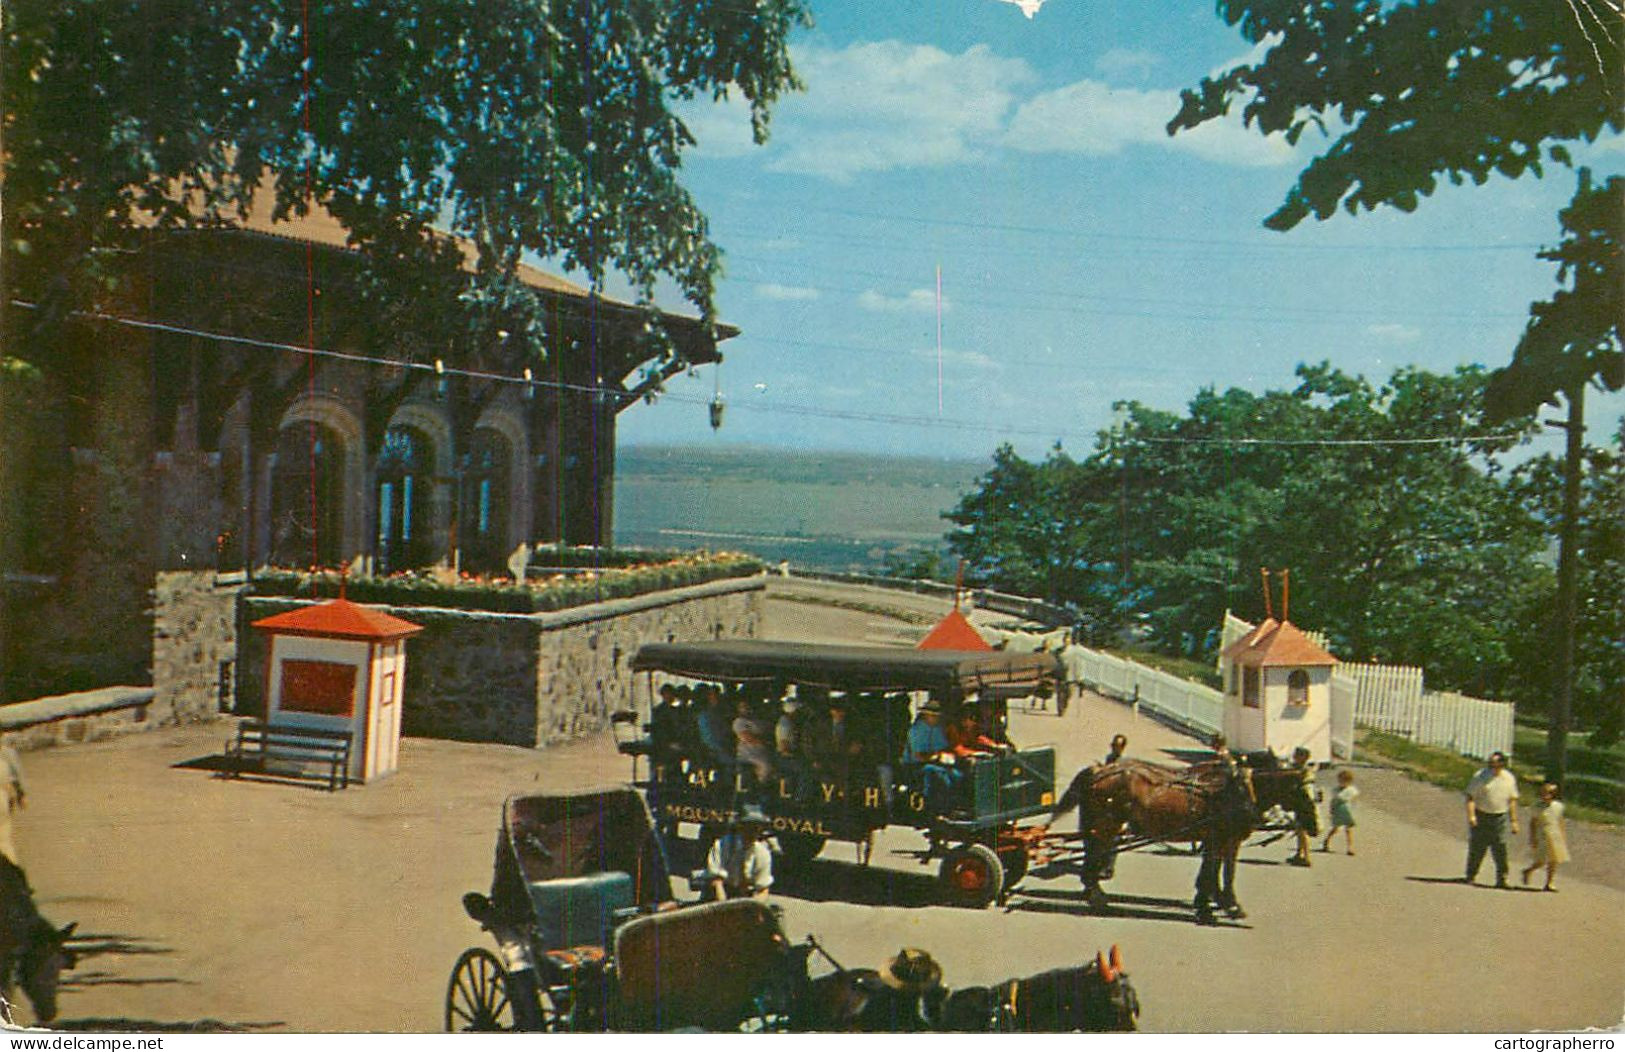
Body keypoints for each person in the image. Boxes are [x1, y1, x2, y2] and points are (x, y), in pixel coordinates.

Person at [1464, 750, 1520, 888]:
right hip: (1482, 814)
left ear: (1502, 764)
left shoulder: (1509, 778)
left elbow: (1512, 800)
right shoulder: (1480, 776)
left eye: (1495, 765)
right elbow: (1470, 797)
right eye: (1490, 764)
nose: (1492, 767)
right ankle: (1471, 875)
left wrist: (1514, 821)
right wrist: (1471, 816)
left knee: (1500, 848)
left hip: (1499, 817)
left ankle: (1502, 878)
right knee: (1478, 847)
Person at [903, 699, 961, 815]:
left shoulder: (937, 729)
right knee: (937, 774)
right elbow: (918, 756)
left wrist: (944, 755)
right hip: (914, 766)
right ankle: (935, 807)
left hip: (934, 762)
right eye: (933, 716)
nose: (936, 719)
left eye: (937, 716)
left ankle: (955, 806)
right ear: (926, 715)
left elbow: (942, 747)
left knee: (957, 774)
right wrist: (935, 757)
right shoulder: (916, 730)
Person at [704, 805, 775, 901]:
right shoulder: (723, 845)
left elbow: (763, 890)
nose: (752, 833)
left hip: (745, 897)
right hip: (720, 893)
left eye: (757, 828)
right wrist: (725, 907)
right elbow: (716, 881)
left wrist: (752, 905)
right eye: (749, 827)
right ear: (740, 827)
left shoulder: (763, 853)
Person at [1521, 782, 1568, 892]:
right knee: (1541, 860)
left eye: (1550, 793)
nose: (1546, 795)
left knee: (1554, 859)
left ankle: (1549, 883)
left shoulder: (1558, 806)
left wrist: (1562, 835)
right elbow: (1533, 823)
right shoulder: (1537, 807)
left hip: (1555, 834)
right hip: (1542, 834)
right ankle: (1528, 870)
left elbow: (1560, 821)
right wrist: (1533, 837)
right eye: (1544, 793)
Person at [1286, 746, 1318, 867]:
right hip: (1301, 801)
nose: (1294, 758)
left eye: (1296, 755)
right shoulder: (1301, 768)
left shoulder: (1304, 770)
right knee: (1299, 829)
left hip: (1305, 802)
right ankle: (1299, 854)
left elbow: (1299, 778)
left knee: (1302, 829)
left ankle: (1306, 856)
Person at [694, 684, 737, 773]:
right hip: (714, 749)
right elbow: (710, 737)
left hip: (726, 745)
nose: (716, 698)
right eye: (712, 695)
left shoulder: (723, 712)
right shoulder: (704, 716)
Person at [732, 697, 776, 784]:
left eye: (746, 706)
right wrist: (765, 741)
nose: (745, 709)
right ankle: (761, 786)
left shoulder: (756, 721)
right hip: (749, 754)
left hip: (762, 751)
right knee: (766, 765)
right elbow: (748, 738)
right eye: (742, 707)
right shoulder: (739, 722)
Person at [1322, 768, 1359, 855]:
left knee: (1348, 829)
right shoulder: (1336, 790)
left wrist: (1353, 809)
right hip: (1338, 810)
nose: (1342, 783)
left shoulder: (1351, 790)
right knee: (1336, 828)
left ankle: (1350, 847)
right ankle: (1326, 841)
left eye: (1345, 781)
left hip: (1347, 811)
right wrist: (1331, 810)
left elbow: (1353, 800)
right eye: (1341, 781)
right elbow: (1334, 801)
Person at [0, 735, 24, 866]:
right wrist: (18, 797)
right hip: (3, 802)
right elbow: (10, 784)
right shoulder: (4, 760)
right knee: (4, 840)